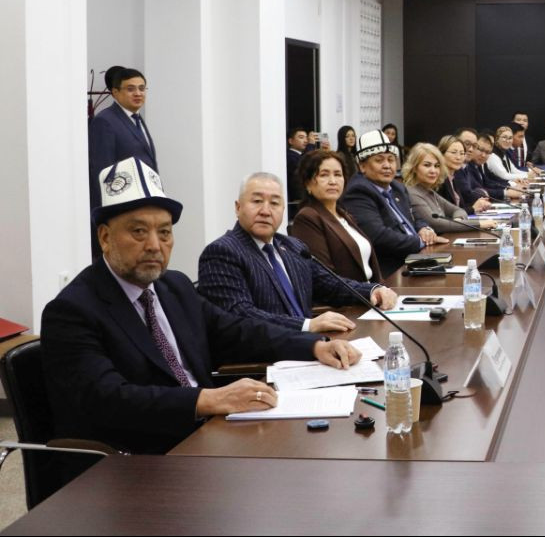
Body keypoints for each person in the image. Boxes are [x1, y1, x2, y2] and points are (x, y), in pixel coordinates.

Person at [41, 157, 361, 471]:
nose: (154, 245)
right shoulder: (73, 311)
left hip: (208, 437)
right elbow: (109, 399)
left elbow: (234, 331)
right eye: (138, 232)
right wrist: (207, 400)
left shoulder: (173, 286)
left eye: (164, 233)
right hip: (138, 461)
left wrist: (313, 346)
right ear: (105, 237)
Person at [198, 172, 398, 333]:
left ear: (283, 210)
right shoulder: (222, 252)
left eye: (274, 203)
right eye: (257, 201)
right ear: (238, 207)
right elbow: (240, 316)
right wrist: (307, 325)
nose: (266, 211)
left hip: (308, 348)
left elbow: (331, 285)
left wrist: (372, 290)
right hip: (264, 360)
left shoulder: (292, 246)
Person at [341, 129, 445, 278]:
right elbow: (379, 237)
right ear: (362, 166)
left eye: (391, 160)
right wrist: (420, 241)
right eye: (379, 160)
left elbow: (414, 216)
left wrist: (424, 228)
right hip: (392, 270)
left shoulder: (397, 187)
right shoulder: (358, 191)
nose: (387, 166)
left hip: (417, 258)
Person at [89, 67, 158, 257]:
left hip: (144, 208)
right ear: (115, 92)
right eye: (130, 89)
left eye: (142, 88)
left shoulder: (136, 119)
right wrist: (108, 218)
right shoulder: (105, 121)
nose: (138, 93)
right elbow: (102, 173)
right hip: (122, 212)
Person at [289, 150, 383, 285]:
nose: (333, 181)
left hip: (371, 292)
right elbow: (324, 277)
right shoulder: (307, 218)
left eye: (338, 174)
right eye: (324, 175)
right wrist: (370, 291)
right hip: (349, 297)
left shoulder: (344, 215)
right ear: (308, 183)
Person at [404, 143, 485, 235]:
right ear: (414, 168)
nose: (433, 171)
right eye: (427, 165)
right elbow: (436, 224)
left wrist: (458, 220)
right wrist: (480, 224)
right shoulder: (412, 192)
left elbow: (458, 210)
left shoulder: (429, 191)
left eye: (437, 166)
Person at [438, 135, 492, 215]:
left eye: (462, 153)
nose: (458, 157)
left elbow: (460, 208)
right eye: (454, 152)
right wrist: (473, 208)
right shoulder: (439, 180)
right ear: (441, 154)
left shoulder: (453, 178)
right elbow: (446, 215)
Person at [285, 127, 309, 220]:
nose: (305, 141)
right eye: (301, 137)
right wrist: (311, 147)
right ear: (291, 141)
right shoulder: (290, 156)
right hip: (295, 200)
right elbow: (306, 166)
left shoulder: (300, 155)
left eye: (306, 137)